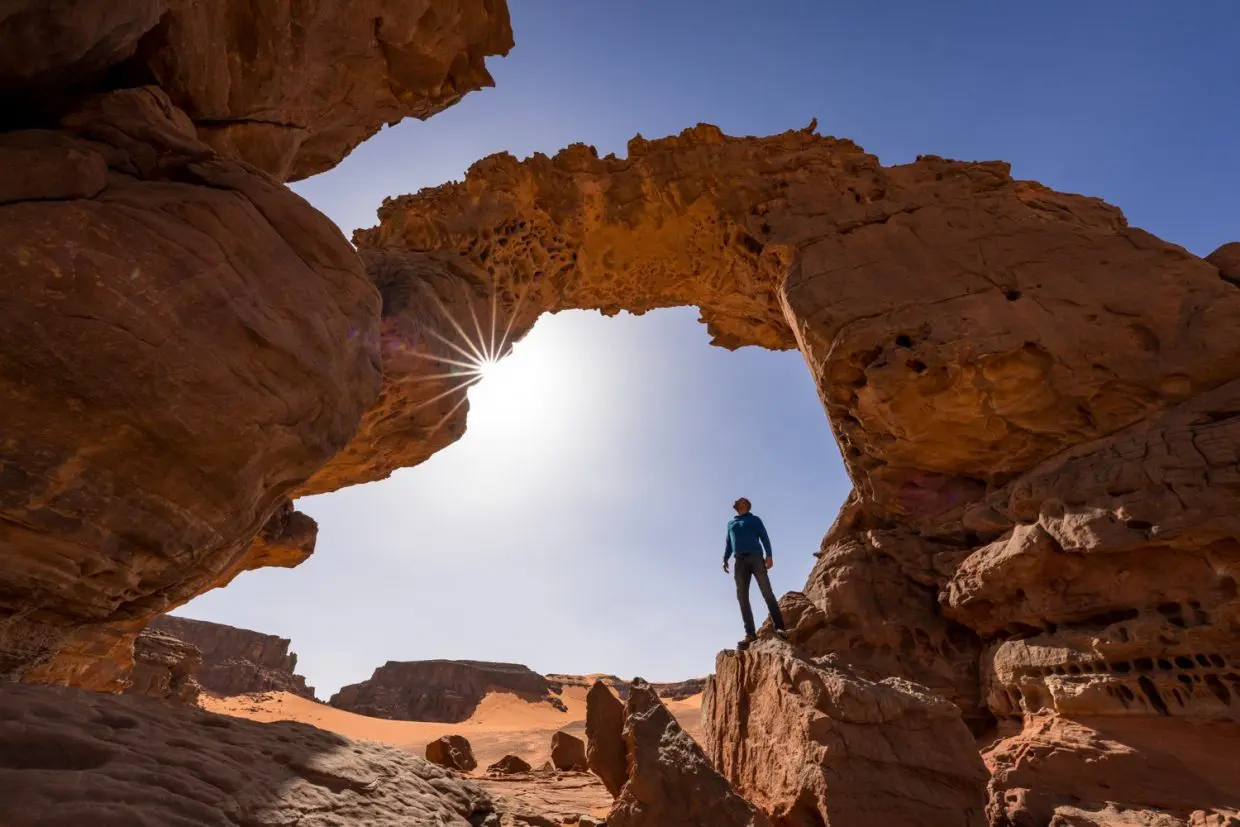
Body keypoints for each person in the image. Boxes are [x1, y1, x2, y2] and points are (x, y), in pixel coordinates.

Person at [722, 497, 787, 649]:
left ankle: (780, 627)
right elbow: (729, 543)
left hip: (756, 558)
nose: (735, 501)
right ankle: (750, 634)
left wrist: (769, 555)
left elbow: (764, 537)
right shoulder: (731, 523)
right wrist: (725, 558)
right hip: (739, 562)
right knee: (742, 597)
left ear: (745, 504)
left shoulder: (754, 520)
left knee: (767, 592)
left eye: (739, 500)